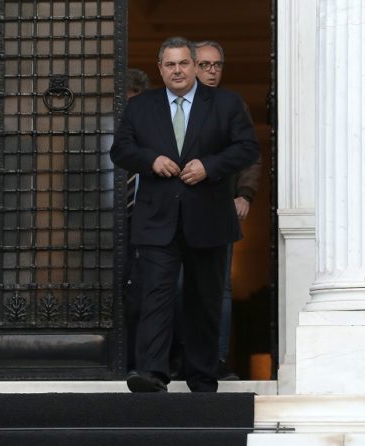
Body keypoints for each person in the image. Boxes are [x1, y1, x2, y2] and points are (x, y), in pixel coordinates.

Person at [110, 37, 259, 392]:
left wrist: (210, 166)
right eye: (169, 64)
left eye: (183, 63)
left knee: (204, 300)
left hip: (208, 219)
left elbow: (247, 148)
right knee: (155, 297)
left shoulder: (226, 103)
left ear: (194, 65)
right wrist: (150, 160)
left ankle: (202, 377)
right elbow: (121, 150)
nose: (177, 70)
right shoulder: (141, 107)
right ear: (160, 69)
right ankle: (152, 373)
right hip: (156, 220)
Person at [194, 40, 263, 380]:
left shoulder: (233, 106)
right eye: (205, 65)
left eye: (217, 65)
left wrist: (245, 194)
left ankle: (215, 360)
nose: (212, 72)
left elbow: (250, 154)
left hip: (219, 208)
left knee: (218, 287)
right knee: (174, 286)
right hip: (176, 211)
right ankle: (178, 358)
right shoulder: (169, 106)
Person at [123, 68, 150, 373]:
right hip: (104, 229)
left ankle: (137, 362)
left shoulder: (153, 136)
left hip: (144, 224)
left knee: (142, 294)